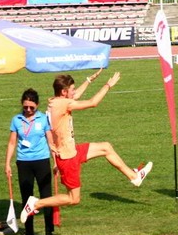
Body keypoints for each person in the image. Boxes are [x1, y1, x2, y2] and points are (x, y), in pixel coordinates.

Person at [19, 69, 153, 224]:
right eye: (72, 89)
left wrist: (89, 80)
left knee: (106, 147)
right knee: (73, 198)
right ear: (64, 92)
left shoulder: (55, 102)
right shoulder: (63, 104)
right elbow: (93, 103)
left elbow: (74, 96)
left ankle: (134, 177)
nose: (74, 91)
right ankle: (36, 204)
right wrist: (108, 85)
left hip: (73, 152)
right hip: (68, 158)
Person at [5, 88, 56, 235]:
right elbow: (12, 143)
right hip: (24, 162)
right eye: (25, 107)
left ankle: (49, 231)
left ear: (37, 105)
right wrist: (7, 164)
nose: (28, 110)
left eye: (31, 107)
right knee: (26, 197)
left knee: (46, 196)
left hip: (42, 160)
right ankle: (29, 232)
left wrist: (55, 162)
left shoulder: (43, 119)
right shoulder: (17, 120)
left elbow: (51, 141)